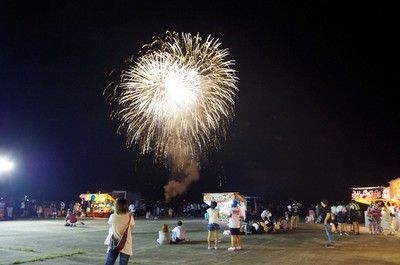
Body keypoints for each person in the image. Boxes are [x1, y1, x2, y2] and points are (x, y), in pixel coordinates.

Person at [104, 197, 135, 265]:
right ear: (126, 206)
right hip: (126, 244)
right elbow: (132, 227)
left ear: (116, 206)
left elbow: (110, 224)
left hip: (114, 244)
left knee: (109, 263)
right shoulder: (130, 217)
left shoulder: (112, 216)